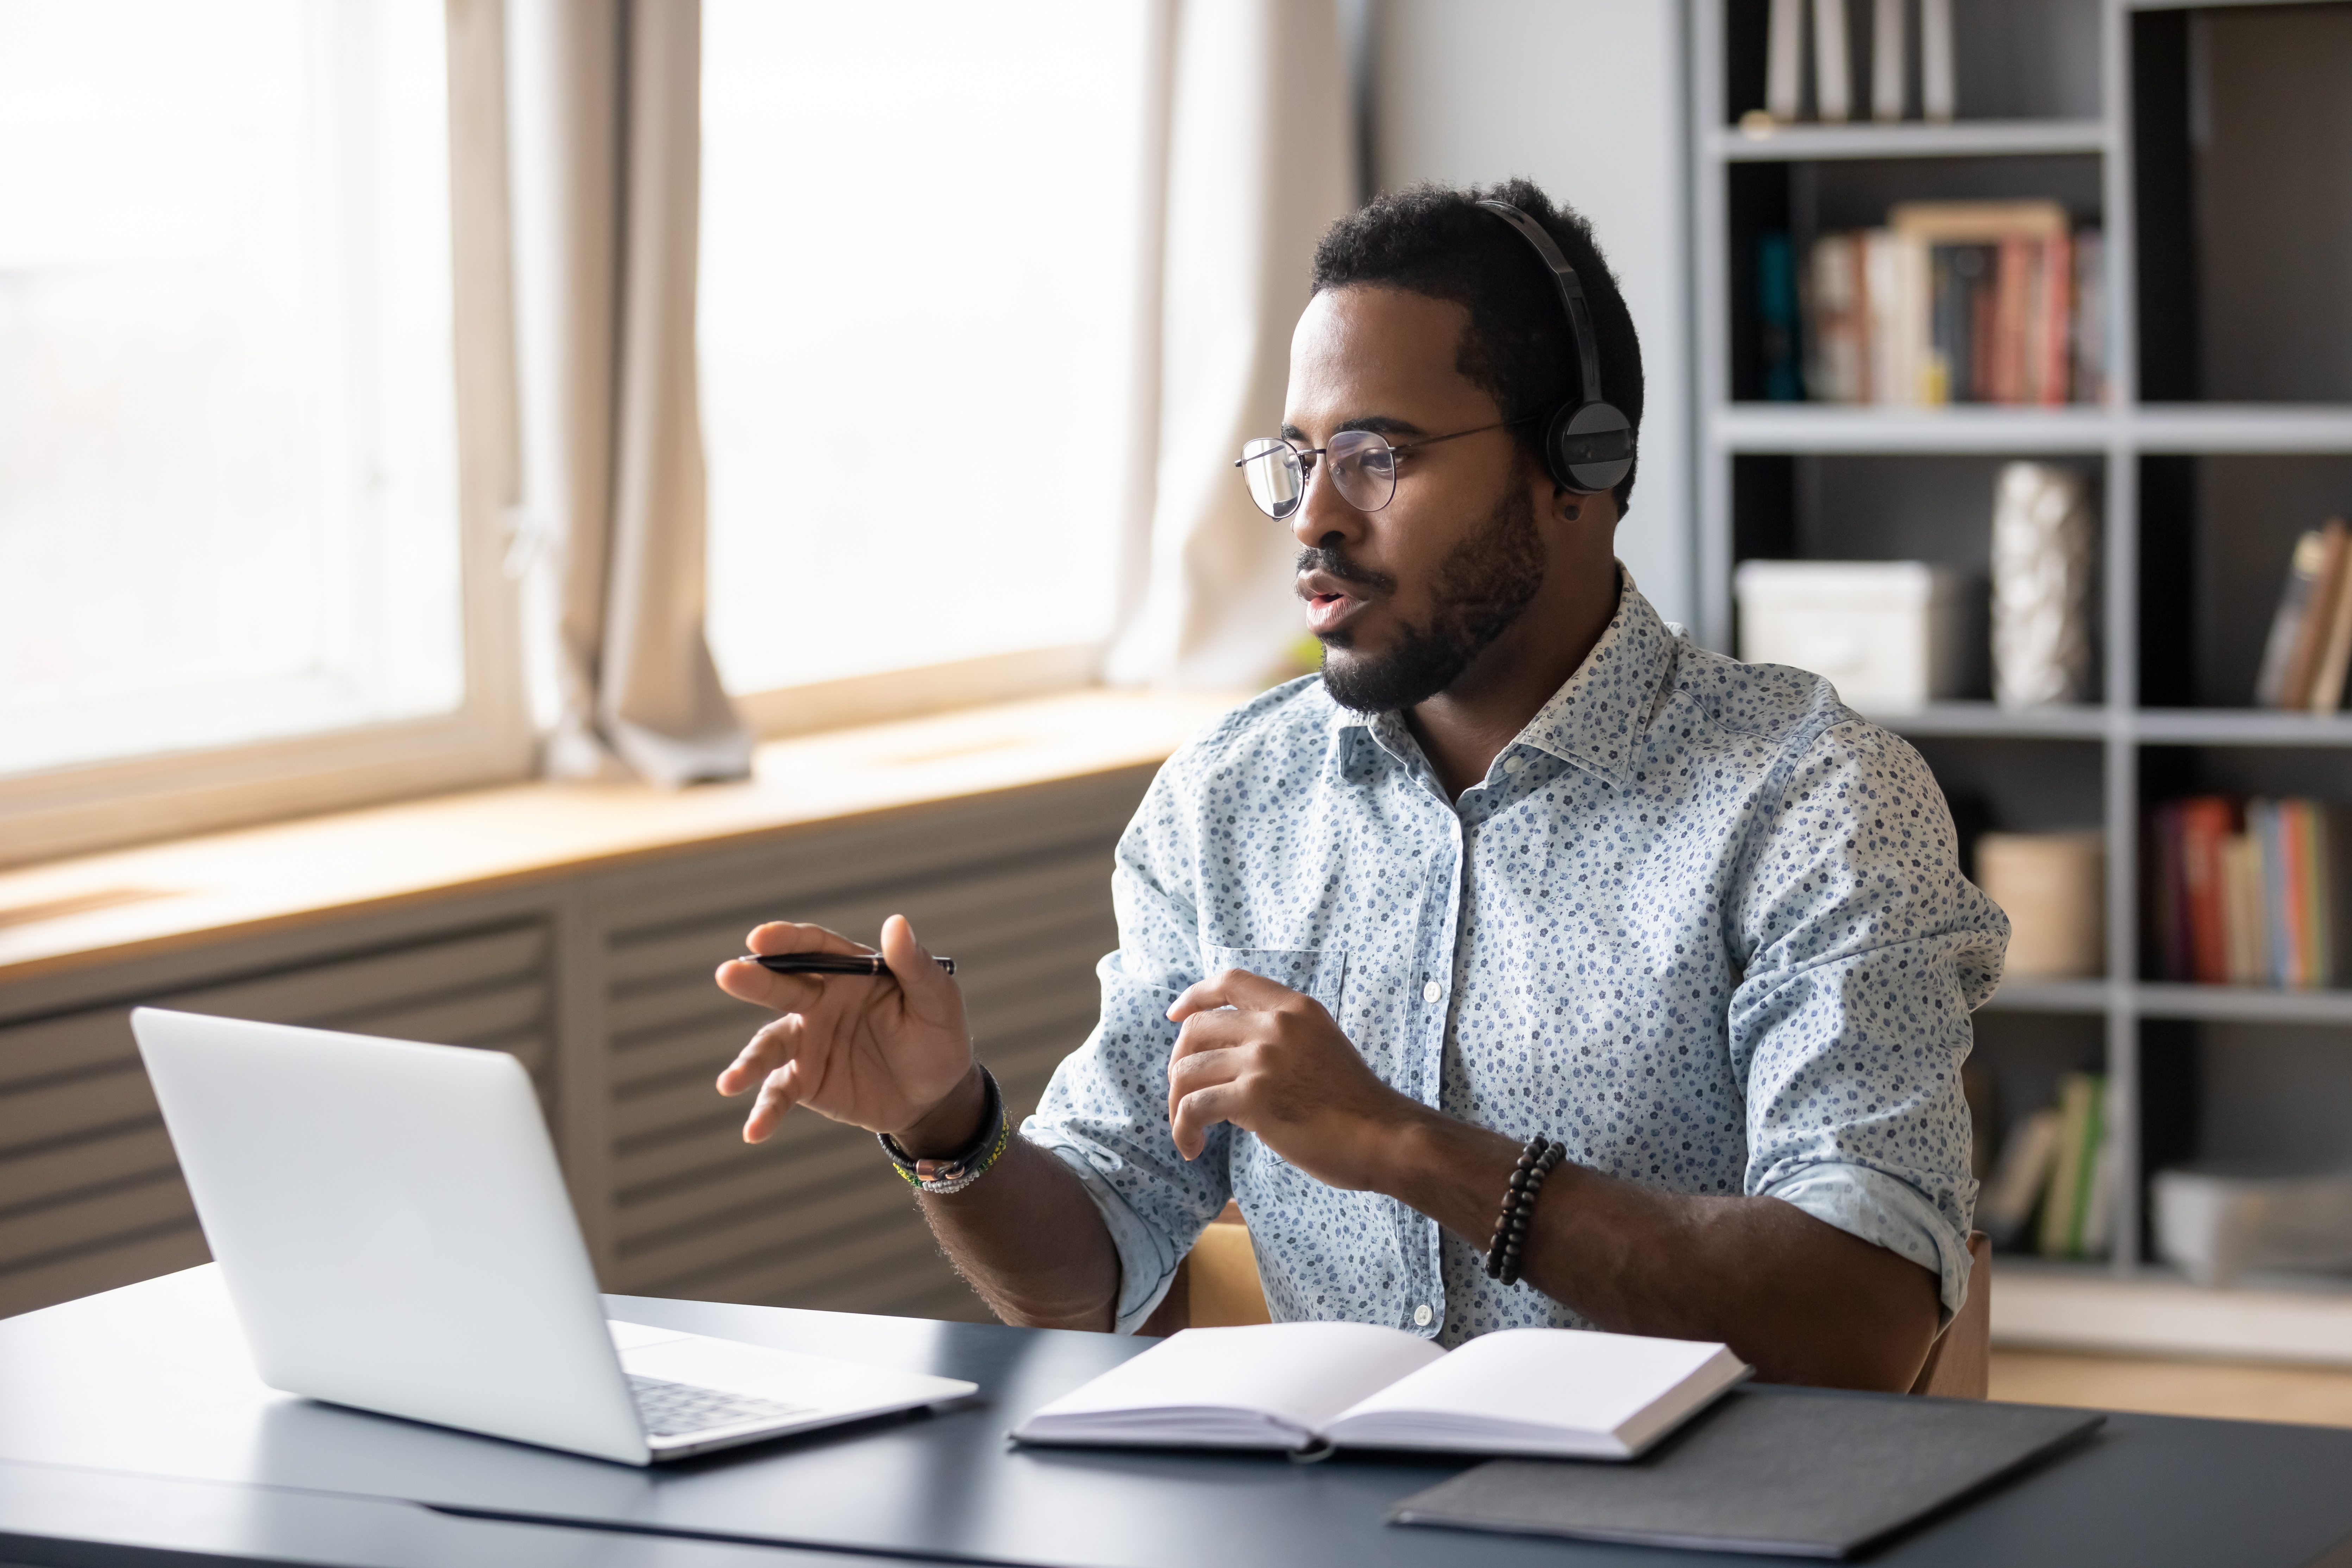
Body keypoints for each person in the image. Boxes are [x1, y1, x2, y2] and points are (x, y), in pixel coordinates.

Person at [713, 178, 2006, 1391]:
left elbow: (1864, 1320)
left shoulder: (1813, 803)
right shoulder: (1229, 802)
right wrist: (948, 1127)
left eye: (1378, 457)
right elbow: (1094, 1268)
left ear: (1580, 466)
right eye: (1294, 460)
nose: (1312, 520)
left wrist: (1401, 1144)